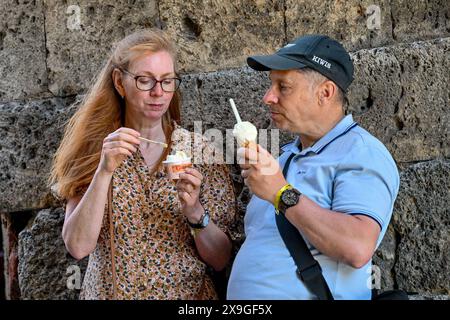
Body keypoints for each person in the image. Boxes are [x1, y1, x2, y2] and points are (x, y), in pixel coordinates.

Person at [50, 29, 237, 300]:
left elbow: (220, 260)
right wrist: (104, 172)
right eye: (145, 81)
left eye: (167, 81)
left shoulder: (201, 151)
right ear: (119, 83)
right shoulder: (96, 149)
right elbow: (78, 246)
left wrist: (195, 212)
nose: (158, 92)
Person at [227, 34, 400, 300]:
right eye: (271, 85)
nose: (268, 97)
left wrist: (281, 193)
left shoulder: (362, 152)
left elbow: (357, 246)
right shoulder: (283, 158)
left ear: (325, 92)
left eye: (283, 87)